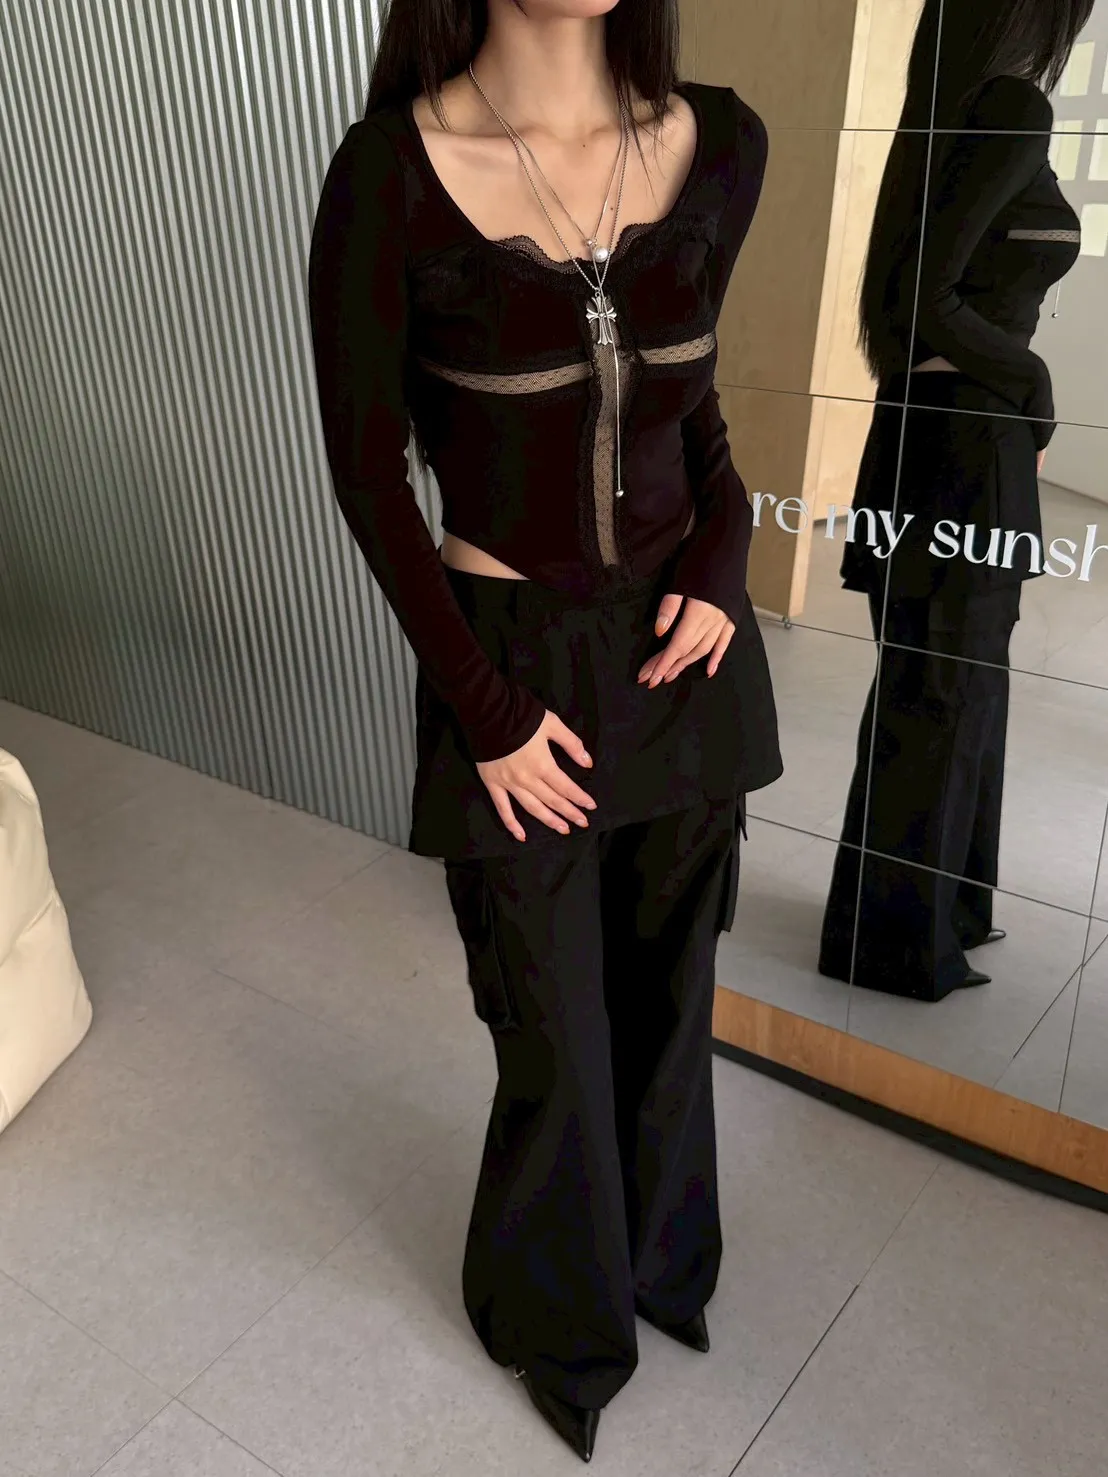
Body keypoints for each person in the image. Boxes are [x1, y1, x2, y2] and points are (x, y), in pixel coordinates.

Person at [307, 0, 781, 1460]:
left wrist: (726, 556)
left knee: (670, 994)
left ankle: (663, 1264)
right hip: (511, 670)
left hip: (687, 654)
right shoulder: (388, 174)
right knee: (552, 1024)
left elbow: (688, 407)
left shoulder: (720, 142)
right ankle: (559, 1317)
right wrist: (490, 710)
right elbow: (368, 473)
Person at [819, 0, 1091, 1004]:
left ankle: (942, 913)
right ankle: (898, 942)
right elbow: (924, 299)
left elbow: (917, 298)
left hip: (935, 438)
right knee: (943, 689)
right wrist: (1032, 382)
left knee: (951, 685)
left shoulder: (951, 110)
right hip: (966, 445)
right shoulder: (1009, 108)